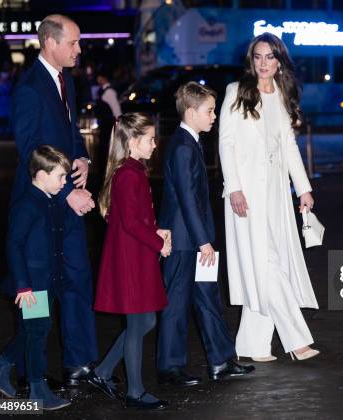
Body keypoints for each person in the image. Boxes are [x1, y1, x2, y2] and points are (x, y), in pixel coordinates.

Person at [218, 33, 319, 362]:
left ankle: (252, 345)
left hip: (275, 194)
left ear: (279, 61)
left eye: (269, 57)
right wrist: (233, 186)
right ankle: (296, 339)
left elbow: (289, 146)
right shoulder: (236, 92)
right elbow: (226, 142)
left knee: (263, 263)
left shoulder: (282, 94)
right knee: (267, 263)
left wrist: (303, 187)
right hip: (245, 194)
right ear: (252, 59)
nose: (263, 63)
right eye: (258, 56)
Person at [11, 14, 98, 387]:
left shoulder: (66, 82)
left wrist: (82, 159)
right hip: (41, 209)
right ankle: (28, 372)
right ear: (51, 42)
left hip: (68, 200)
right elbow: (30, 153)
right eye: (74, 43)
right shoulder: (30, 87)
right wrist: (68, 193)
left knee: (78, 279)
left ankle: (79, 365)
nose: (79, 49)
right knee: (40, 293)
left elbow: (69, 133)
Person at [157, 82, 255, 385]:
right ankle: (169, 368)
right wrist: (203, 242)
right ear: (191, 112)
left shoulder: (191, 143)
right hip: (186, 242)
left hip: (197, 240)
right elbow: (186, 198)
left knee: (208, 297)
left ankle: (221, 360)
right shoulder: (184, 147)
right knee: (176, 303)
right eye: (209, 111)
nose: (214, 116)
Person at [88, 113, 170, 410]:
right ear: (133, 142)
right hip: (131, 259)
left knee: (145, 319)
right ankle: (135, 391)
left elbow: (132, 218)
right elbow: (132, 224)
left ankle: (103, 371)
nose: (155, 144)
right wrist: (159, 242)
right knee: (138, 323)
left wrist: (155, 231)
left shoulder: (131, 171)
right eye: (150, 139)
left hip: (135, 255)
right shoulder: (128, 174)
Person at [0, 145, 72, 410]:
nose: (64, 182)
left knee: (35, 330)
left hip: (48, 280)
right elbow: (14, 245)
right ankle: (37, 388)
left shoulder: (49, 200)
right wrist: (23, 286)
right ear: (41, 175)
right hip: (32, 285)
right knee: (37, 334)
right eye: (61, 177)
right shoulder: (27, 204)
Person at [94, 71, 122, 181]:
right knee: (104, 150)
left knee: (107, 150)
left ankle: (108, 175)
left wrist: (118, 127)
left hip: (109, 126)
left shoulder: (109, 92)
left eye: (100, 77)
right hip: (105, 125)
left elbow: (117, 111)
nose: (98, 79)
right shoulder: (102, 91)